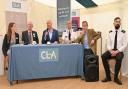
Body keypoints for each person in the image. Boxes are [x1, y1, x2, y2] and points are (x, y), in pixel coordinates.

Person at [101, 17, 127, 85]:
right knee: (103, 56)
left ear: (120, 23)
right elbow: (108, 44)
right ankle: (108, 77)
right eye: (116, 21)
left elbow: (125, 44)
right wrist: (110, 51)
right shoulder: (110, 32)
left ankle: (116, 78)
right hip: (111, 51)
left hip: (119, 51)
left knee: (119, 58)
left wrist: (117, 51)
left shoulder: (123, 32)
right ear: (113, 23)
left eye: (119, 21)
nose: (117, 23)